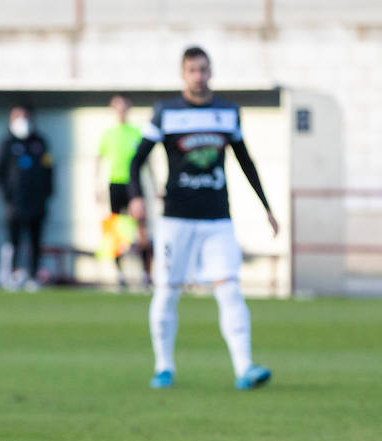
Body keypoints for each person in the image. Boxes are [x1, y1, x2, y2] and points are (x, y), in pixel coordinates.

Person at [127, 45, 278, 390]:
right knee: (167, 291)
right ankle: (164, 366)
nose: (199, 76)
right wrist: (136, 198)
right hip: (176, 220)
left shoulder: (227, 112)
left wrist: (266, 207)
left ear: (211, 72)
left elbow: (245, 161)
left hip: (217, 219)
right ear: (183, 74)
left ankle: (245, 367)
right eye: (192, 70)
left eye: (204, 69)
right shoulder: (166, 113)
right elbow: (137, 160)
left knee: (230, 289)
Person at [0, 104, 53, 291]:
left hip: (36, 202)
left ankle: (33, 276)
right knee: (13, 241)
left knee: (35, 241)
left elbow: (49, 169)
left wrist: (46, 193)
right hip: (15, 203)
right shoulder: (6, 144)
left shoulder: (39, 143)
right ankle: (10, 274)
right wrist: (7, 195)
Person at [95, 94, 153, 289]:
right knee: (116, 232)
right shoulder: (108, 134)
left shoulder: (136, 132)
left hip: (134, 186)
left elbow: (146, 160)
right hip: (115, 185)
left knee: (141, 228)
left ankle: (147, 273)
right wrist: (97, 186)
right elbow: (99, 159)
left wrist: (156, 183)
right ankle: (120, 273)